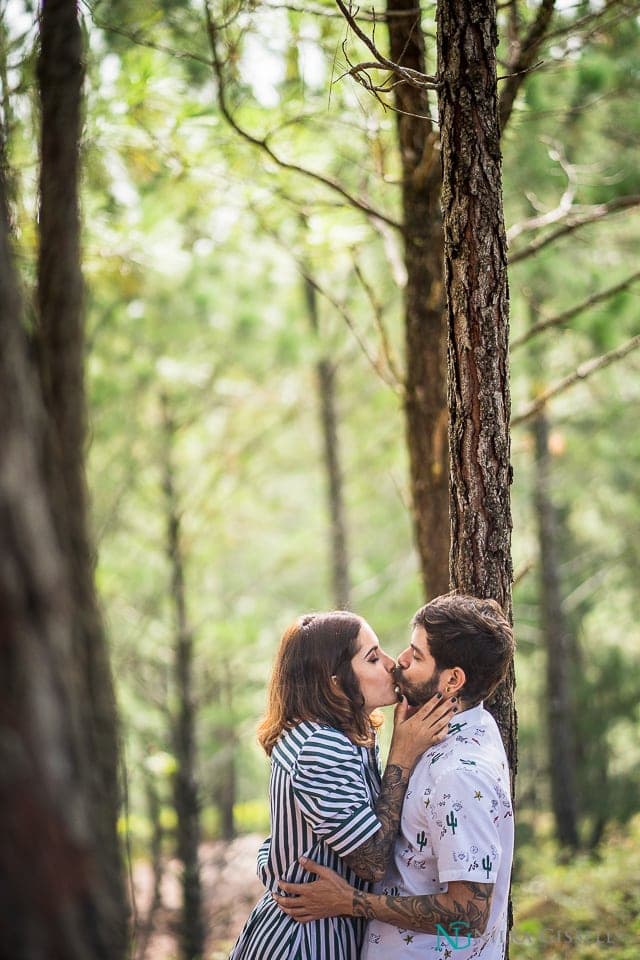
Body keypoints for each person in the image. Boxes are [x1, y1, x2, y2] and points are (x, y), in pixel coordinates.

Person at [274, 594, 515, 960]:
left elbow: (469, 916)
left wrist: (352, 902)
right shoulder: (458, 729)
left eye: (416, 655)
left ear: (452, 681)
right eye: (377, 656)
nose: (397, 661)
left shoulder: (459, 776)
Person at [228, 610, 455, 960]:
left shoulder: (346, 735)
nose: (392, 664)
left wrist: (274, 860)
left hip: (328, 931)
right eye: (373, 657)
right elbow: (373, 862)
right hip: (305, 942)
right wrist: (403, 754)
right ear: (335, 681)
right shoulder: (320, 745)